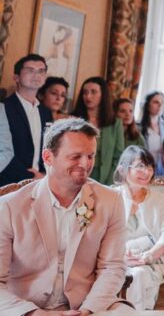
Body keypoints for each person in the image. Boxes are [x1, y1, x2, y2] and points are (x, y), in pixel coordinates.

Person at [0, 118, 130, 314]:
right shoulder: (10, 206)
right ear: (48, 157)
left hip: (86, 305)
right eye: (75, 156)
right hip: (27, 308)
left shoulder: (111, 201)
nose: (85, 164)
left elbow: (112, 267)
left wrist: (87, 310)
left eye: (90, 156)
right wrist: (35, 313)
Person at [113, 145, 164, 309]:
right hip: (118, 261)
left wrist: (148, 256)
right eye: (140, 166)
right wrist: (120, 258)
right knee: (126, 274)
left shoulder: (159, 199)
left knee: (137, 275)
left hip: (150, 262)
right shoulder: (112, 197)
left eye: (150, 167)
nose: (147, 172)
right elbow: (101, 237)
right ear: (123, 169)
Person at [0, 54, 53, 185]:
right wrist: (27, 177)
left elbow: (49, 148)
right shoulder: (4, 107)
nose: (36, 75)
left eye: (41, 71)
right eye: (30, 70)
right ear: (16, 77)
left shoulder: (46, 113)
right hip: (7, 181)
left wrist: (44, 175)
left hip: (39, 182)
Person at [70, 76, 125, 186]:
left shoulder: (115, 123)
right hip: (76, 175)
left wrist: (109, 182)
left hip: (105, 178)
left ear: (103, 95)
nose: (88, 96)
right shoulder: (73, 120)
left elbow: (119, 156)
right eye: (85, 92)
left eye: (93, 92)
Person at [139, 90, 164, 177]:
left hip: (162, 172)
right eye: (156, 102)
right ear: (147, 104)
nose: (160, 105)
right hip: (143, 170)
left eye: (162, 102)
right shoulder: (139, 127)